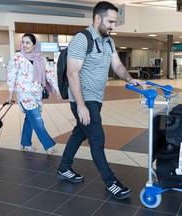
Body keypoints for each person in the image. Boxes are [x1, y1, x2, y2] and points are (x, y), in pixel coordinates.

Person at [56, 1, 147, 200]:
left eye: (115, 22)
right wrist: (80, 105)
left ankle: (64, 167)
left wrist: (131, 79)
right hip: (83, 99)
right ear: (98, 18)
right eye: (111, 21)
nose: (113, 26)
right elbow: (72, 73)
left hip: (96, 98)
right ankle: (111, 182)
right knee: (97, 139)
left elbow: (118, 66)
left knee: (79, 134)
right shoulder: (81, 39)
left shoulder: (108, 41)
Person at [7, 33, 61, 155]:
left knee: (30, 118)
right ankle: (48, 145)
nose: (25, 45)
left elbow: (49, 73)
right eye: (23, 42)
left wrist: (57, 88)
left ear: (34, 44)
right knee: (37, 120)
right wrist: (10, 92)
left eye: (28, 42)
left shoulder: (40, 58)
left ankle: (25, 144)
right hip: (24, 93)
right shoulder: (18, 57)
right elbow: (11, 74)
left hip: (37, 93)